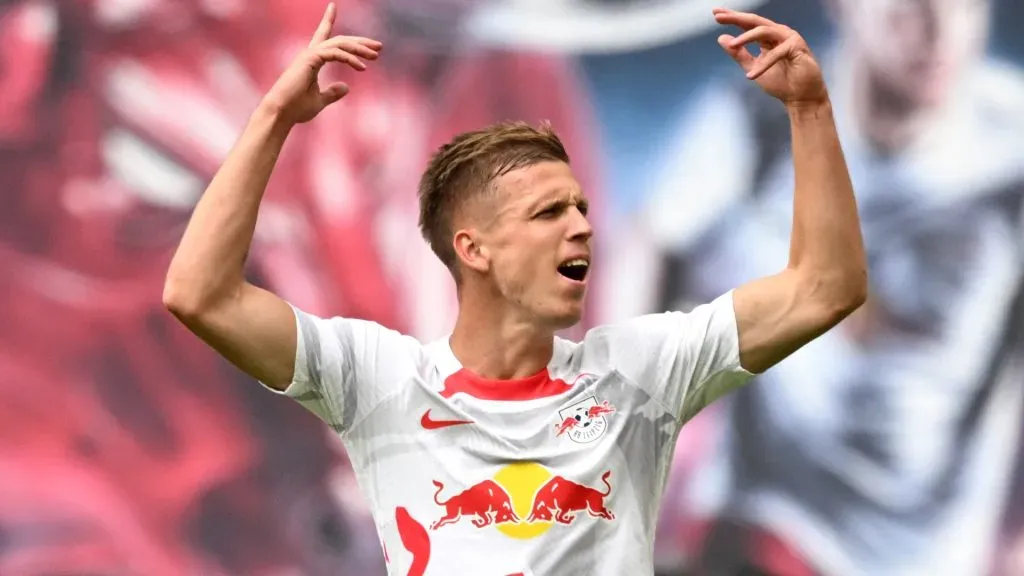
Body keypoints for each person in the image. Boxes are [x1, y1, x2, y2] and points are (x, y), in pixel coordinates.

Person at [163, 4, 866, 574]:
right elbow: (201, 295)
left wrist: (809, 112)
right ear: (471, 249)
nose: (579, 236)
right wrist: (271, 121)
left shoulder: (639, 377)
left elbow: (825, 289)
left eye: (579, 212)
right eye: (547, 217)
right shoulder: (379, 381)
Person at [642, 0, 1024, 574]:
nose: (941, 31)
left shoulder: (1012, 151)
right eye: (911, 5)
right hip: (761, 524)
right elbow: (649, 244)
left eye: (965, 5)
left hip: (918, 549)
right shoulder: (759, 120)